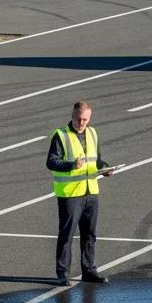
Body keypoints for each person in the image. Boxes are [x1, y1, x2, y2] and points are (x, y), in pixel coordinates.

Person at [47, 101, 113, 285]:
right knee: (67, 235)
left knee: (89, 234)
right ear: (72, 115)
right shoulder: (61, 135)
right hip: (70, 194)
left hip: (90, 191)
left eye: (85, 119)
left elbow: (96, 160)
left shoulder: (92, 133)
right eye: (79, 118)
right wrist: (71, 165)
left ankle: (89, 271)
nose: (82, 122)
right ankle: (62, 274)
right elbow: (51, 162)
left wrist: (105, 168)